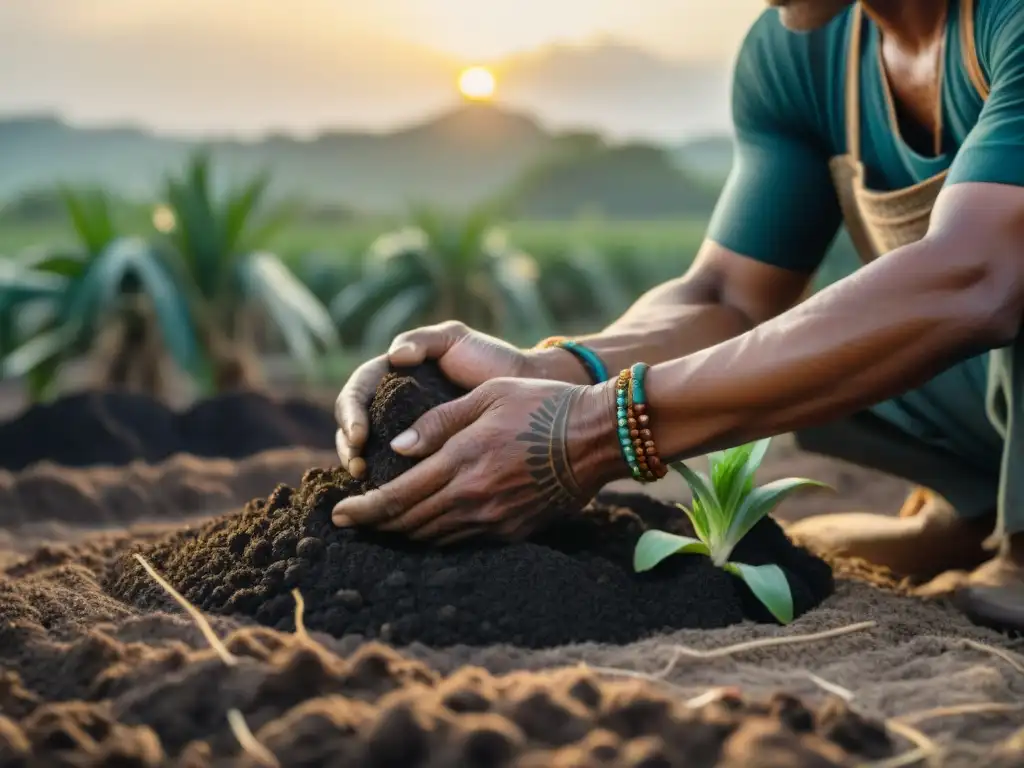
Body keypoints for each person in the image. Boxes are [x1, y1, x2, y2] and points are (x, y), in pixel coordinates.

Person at [332, 0, 1024, 633]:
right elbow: (729, 296)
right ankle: (980, 511)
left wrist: (594, 432)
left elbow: (980, 276)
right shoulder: (806, 53)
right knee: (823, 335)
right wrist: (554, 372)